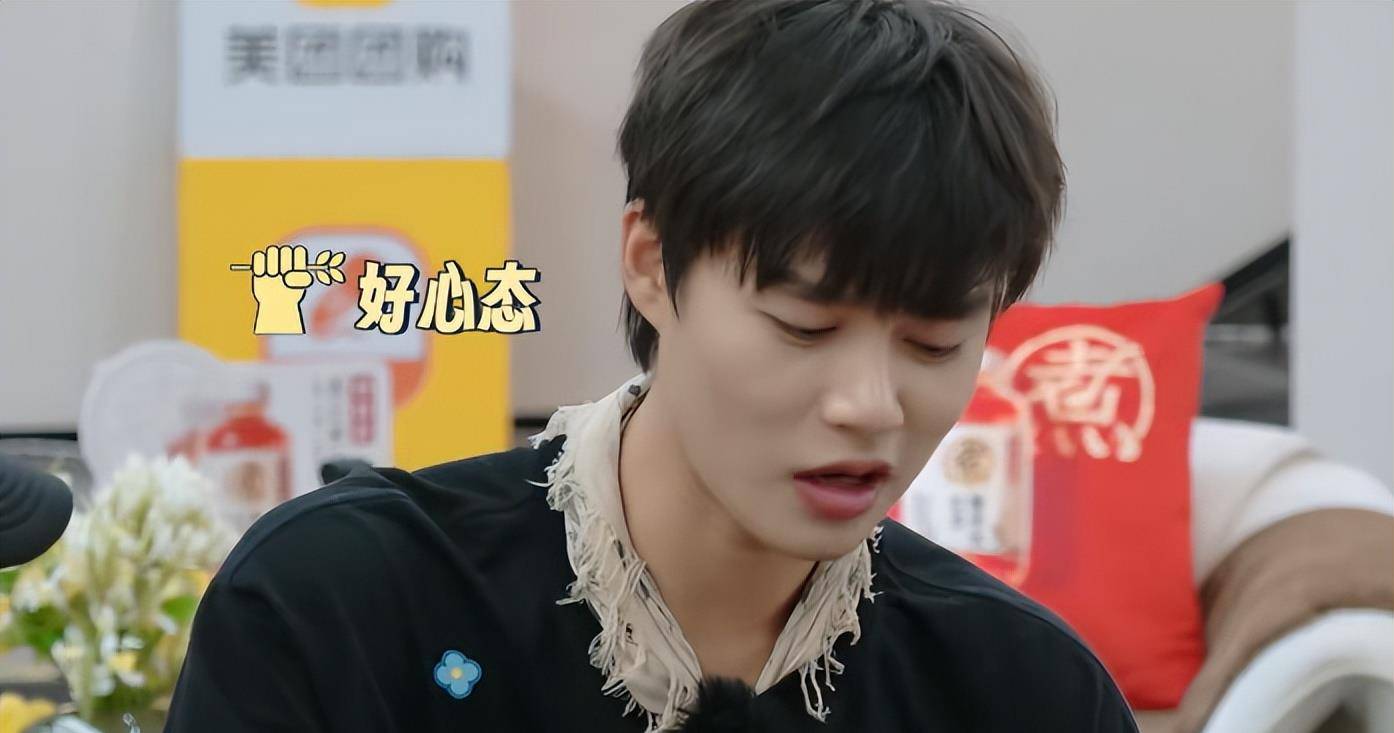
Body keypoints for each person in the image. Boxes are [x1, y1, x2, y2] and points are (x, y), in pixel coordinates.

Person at [165, 1, 1140, 730]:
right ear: (649, 263)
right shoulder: (338, 609)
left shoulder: (1026, 692)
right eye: (803, 324)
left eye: (933, 343)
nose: (869, 405)